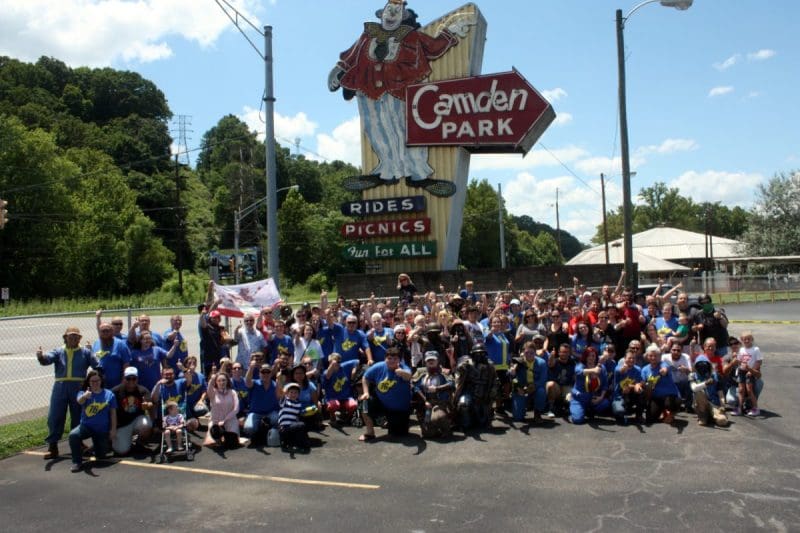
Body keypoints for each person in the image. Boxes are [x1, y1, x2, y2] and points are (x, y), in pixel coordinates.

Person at [328, 0, 474, 197]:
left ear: (403, 16)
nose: (392, 14)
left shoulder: (411, 36)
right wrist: (338, 70)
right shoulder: (367, 34)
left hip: (399, 90)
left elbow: (433, 48)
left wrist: (451, 32)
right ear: (382, 14)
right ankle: (387, 171)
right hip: (368, 90)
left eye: (397, 11)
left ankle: (419, 174)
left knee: (407, 130)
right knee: (376, 129)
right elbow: (351, 55)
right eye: (389, 10)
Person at [36, 327, 99, 460]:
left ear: (79, 338)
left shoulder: (85, 352)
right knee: (55, 416)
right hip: (60, 386)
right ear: (65, 337)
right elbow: (46, 360)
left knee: (78, 415)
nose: (73, 338)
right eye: (71, 336)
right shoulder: (58, 351)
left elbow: (97, 365)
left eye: (76, 336)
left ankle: (78, 442)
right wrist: (40, 357)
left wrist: (92, 352)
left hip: (78, 387)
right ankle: (53, 446)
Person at [358, 347, 412, 441]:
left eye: (395, 359)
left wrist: (401, 372)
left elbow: (409, 376)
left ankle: (388, 422)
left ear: (400, 360)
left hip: (399, 409)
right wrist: (366, 392)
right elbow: (365, 377)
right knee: (364, 403)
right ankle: (370, 433)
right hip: (382, 404)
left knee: (398, 434)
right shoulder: (379, 366)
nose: (392, 361)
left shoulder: (403, 367)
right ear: (385, 359)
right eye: (389, 358)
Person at [68, 370, 117, 472]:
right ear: (88, 382)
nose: (95, 383)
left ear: (101, 380)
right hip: (86, 427)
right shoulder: (84, 393)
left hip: (101, 430)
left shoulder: (109, 394)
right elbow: (79, 401)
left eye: (97, 380)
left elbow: (113, 414)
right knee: (73, 435)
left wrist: (113, 430)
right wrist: (85, 396)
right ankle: (77, 462)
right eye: (92, 381)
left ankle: (93, 448)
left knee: (101, 456)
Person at [111, 366, 154, 455]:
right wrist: (112, 429)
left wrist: (148, 405)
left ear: (137, 379)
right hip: (121, 425)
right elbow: (110, 411)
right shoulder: (115, 391)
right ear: (124, 378)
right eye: (128, 378)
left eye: (134, 378)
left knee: (147, 424)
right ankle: (124, 440)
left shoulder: (143, 390)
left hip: (136, 422)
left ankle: (139, 443)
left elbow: (150, 403)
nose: (131, 381)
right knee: (121, 451)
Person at [413, 351, 454, 438]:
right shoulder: (420, 372)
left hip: (440, 402)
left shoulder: (445, 372)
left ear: (438, 360)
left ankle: (446, 429)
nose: (431, 361)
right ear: (425, 361)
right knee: (428, 434)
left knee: (438, 417)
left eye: (433, 360)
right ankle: (433, 428)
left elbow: (451, 384)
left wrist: (437, 388)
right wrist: (425, 401)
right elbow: (415, 387)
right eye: (428, 360)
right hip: (425, 403)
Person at [509, 341, 549, 423]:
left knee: (541, 391)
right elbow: (512, 378)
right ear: (523, 352)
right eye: (527, 352)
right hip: (521, 389)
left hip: (535, 388)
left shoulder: (542, 363)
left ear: (535, 352)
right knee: (518, 418)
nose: (529, 355)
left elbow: (543, 380)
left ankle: (537, 412)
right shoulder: (517, 362)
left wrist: (532, 387)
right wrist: (512, 373)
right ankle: (523, 407)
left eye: (532, 353)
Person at [640, 343, 680, 424]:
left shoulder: (663, 364)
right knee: (650, 419)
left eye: (656, 356)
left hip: (669, 396)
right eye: (651, 355)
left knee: (670, 403)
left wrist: (664, 371)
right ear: (647, 356)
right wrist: (643, 386)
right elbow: (643, 382)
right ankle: (663, 411)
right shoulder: (644, 369)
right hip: (656, 398)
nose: (653, 358)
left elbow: (665, 369)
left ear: (659, 356)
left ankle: (671, 414)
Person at [569, 347, 610, 424]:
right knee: (577, 420)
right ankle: (574, 410)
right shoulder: (580, 365)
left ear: (596, 357)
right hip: (579, 398)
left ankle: (588, 411)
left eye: (593, 356)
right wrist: (593, 370)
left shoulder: (602, 368)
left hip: (593, 397)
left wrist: (601, 397)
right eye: (588, 355)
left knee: (605, 403)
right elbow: (579, 372)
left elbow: (605, 385)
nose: (591, 358)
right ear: (585, 357)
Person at [243, 362, 280, 442]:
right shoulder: (255, 383)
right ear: (259, 373)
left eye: (268, 372)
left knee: (278, 421)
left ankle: (268, 432)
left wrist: (279, 382)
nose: (265, 374)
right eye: (263, 372)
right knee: (249, 429)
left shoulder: (275, 385)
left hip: (271, 412)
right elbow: (247, 381)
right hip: (255, 413)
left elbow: (280, 397)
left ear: (271, 374)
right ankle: (261, 428)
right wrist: (251, 368)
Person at [204, 370, 241, 449]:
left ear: (227, 381)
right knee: (215, 435)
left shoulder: (233, 392)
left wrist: (225, 420)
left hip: (230, 420)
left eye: (224, 380)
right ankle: (217, 438)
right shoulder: (213, 393)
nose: (222, 382)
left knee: (232, 445)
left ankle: (227, 436)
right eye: (219, 380)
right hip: (216, 422)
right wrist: (211, 380)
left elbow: (236, 409)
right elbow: (209, 388)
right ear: (216, 382)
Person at [689, 355, 729, 427]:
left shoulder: (716, 376)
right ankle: (703, 416)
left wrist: (723, 405)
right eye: (700, 364)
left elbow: (720, 393)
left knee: (722, 421)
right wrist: (706, 383)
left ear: (709, 365)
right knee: (699, 391)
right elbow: (694, 388)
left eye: (704, 364)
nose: (702, 367)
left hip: (714, 403)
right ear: (696, 366)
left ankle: (713, 415)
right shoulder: (692, 375)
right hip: (701, 404)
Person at [322, 353, 360, 426]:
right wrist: (332, 366)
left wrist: (353, 372)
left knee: (353, 405)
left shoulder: (344, 367)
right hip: (332, 397)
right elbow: (327, 376)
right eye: (334, 362)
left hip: (346, 397)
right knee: (334, 405)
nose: (337, 363)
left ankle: (345, 417)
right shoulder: (326, 372)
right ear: (329, 362)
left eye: (339, 362)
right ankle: (332, 418)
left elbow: (357, 361)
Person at [729, 333, 762, 416]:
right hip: (741, 371)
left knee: (749, 389)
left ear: (752, 339)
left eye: (749, 339)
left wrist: (751, 370)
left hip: (749, 372)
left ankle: (755, 408)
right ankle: (739, 409)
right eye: (744, 339)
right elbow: (739, 361)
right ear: (742, 340)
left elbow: (759, 362)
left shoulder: (755, 349)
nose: (747, 340)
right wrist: (735, 357)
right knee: (741, 390)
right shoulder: (741, 350)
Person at [93, 321, 131, 390]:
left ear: (112, 331)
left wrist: (124, 381)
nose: (105, 333)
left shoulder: (120, 344)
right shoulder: (96, 343)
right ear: (99, 332)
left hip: (117, 384)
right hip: (100, 384)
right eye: (103, 331)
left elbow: (126, 364)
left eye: (107, 330)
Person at [611, 350, 644, 425]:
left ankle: (639, 415)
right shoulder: (618, 368)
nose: (631, 360)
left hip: (631, 393)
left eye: (633, 358)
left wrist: (638, 386)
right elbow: (621, 371)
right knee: (619, 411)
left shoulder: (638, 369)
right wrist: (624, 370)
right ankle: (621, 411)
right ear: (624, 358)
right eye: (629, 358)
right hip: (620, 395)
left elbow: (640, 381)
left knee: (641, 392)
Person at [278, 382, 311, 453]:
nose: (293, 394)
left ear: (299, 394)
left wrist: (310, 410)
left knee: (303, 426)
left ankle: (301, 444)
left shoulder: (298, 403)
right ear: (287, 393)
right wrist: (279, 380)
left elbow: (300, 414)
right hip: (284, 428)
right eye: (291, 392)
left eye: (296, 392)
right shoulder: (284, 401)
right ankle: (287, 443)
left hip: (292, 427)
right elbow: (281, 394)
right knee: (301, 425)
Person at [546, 343, 576, 418]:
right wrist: (551, 356)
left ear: (569, 353)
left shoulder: (573, 363)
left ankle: (566, 406)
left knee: (573, 393)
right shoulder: (554, 361)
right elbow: (550, 364)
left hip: (566, 387)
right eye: (562, 352)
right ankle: (551, 408)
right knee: (550, 384)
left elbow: (576, 377)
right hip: (557, 388)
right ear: (558, 352)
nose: (564, 354)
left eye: (566, 352)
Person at [662, 344, 693, 410]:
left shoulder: (686, 357)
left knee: (690, 383)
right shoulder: (664, 357)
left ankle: (688, 406)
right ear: (670, 350)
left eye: (678, 350)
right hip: (670, 384)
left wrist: (685, 369)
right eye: (674, 350)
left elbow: (691, 371)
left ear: (681, 351)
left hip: (683, 383)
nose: (676, 352)